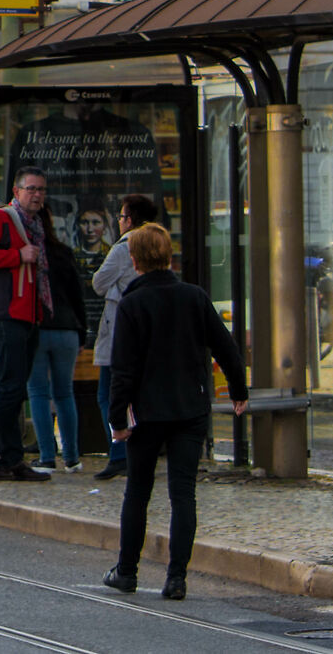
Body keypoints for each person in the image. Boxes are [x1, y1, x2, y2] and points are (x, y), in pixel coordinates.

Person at [104, 223, 247, 601]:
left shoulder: (132, 304)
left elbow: (123, 369)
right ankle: (177, 577)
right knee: (183, 494)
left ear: (134, 261)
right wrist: (238, 391)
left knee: (138, 491)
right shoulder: (194, 297)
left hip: (146, 412)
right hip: (189, 408)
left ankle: (127, 571)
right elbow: (226, 348)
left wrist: (118, 420)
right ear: (169, 256)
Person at [0, 167, 56, 482]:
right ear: (16, 192)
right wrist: (17, 256)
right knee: (10, 387)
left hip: (26, 315)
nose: (37, 195)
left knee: (14, 390)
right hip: (4, 314)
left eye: (41, 189)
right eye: (30, 188)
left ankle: (12, 459)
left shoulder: (35, 225)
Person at [89, 193, 159, 481]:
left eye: (120, 216)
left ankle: (119, 452)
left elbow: (98, 283)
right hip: (148, 330)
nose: (119, 221)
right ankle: (138, 451)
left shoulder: (122, 247)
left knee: (108, 393)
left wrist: (117, 289)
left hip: (118, 329)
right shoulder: (157, 242)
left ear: (129, 220)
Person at [26, 189, 91, 472]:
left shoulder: (27, 254)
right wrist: (82, 330)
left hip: (37, 328)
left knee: (38, 393)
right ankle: (73, 456)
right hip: (67, 329)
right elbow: (78, 295)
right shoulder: (64, 252)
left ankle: (46, 456)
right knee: (64, 393)